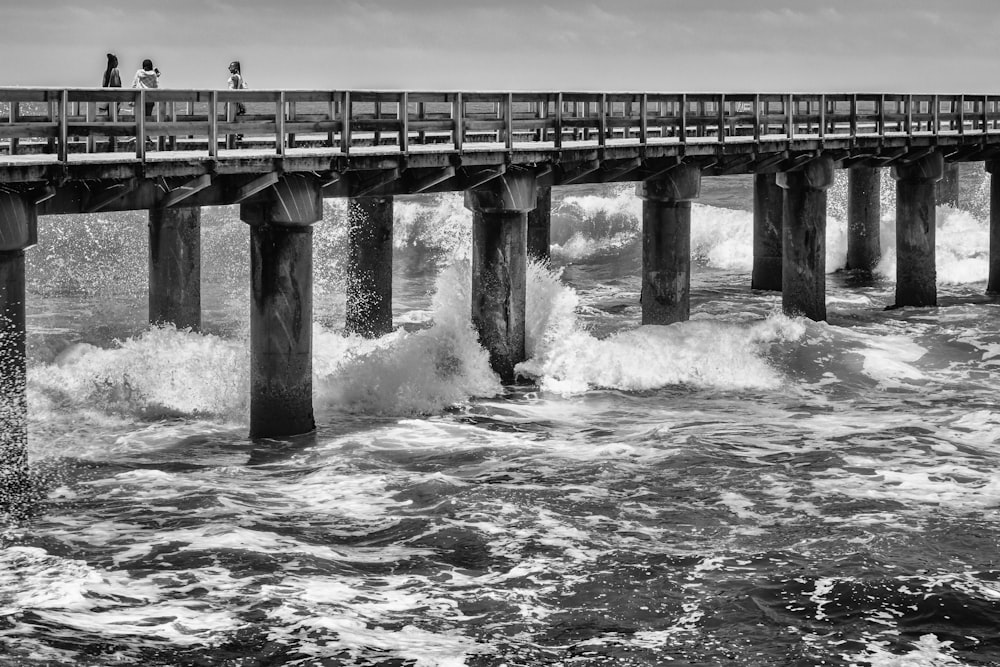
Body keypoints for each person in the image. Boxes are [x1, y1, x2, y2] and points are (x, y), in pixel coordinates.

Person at [227, 61, 247, 142]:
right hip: (237, 100)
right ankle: (238, 134)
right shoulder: (239, 77)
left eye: (231, 67)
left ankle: (233, 136)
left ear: (235, 68)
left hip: (233, 99)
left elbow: (234, 88)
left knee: (232, 118)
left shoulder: (234, 77)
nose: (229, 69)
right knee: (236, 118)